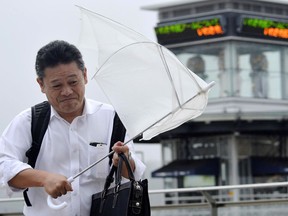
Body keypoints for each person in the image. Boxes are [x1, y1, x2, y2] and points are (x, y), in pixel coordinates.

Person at [0, 40, 146, 216]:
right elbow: (4, 165)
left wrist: (124, 159)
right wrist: (44, 179)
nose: (67, 91)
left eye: (73, 82)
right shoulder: (29, 122)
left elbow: (134, 174)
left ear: (84, 75)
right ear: (41, 85)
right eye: (57, 85)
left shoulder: (113, 118)